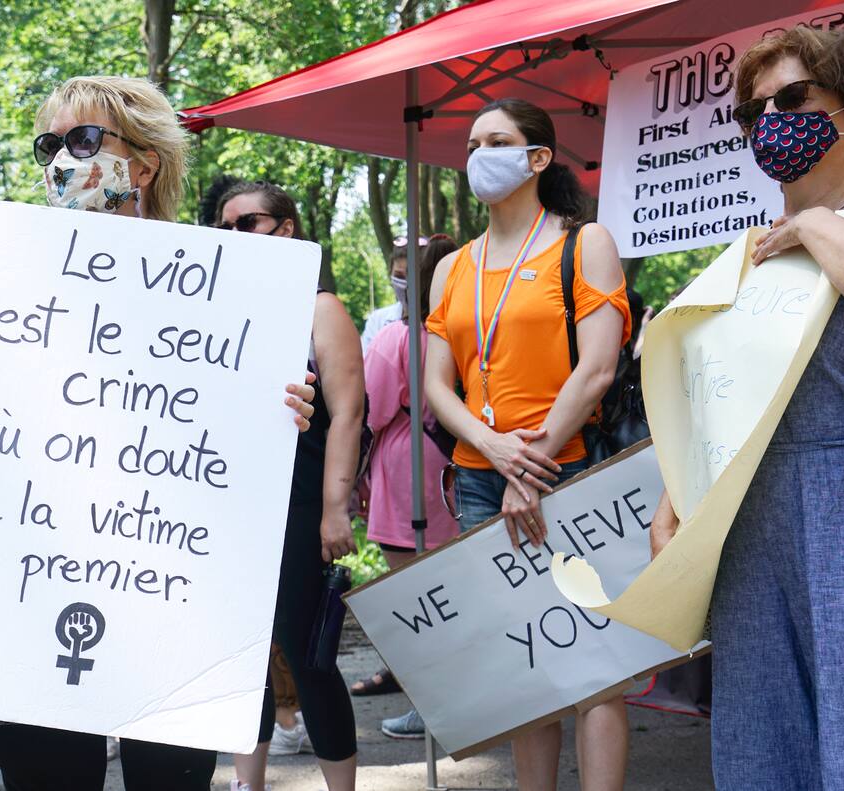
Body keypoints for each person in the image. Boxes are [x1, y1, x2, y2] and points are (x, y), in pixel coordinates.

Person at [0, 77, 320, 791]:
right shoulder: (19, 279)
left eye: (82, 141)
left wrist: (282, 411)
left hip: (172, 592)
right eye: (50, 145)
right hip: (32, 577)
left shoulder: (226, 287)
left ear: (143, 165)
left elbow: (246, 428)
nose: (61, 160)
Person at [649, 27, 844, 788]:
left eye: (794, 99)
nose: (771, 119)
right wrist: (675, 500)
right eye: (755, 111)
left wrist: (811, 224)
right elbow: (718, 395)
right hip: (752, 524)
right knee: (766, 742)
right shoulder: (748, 254)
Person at [424, 99, 631, 791]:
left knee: (597, 662)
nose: (482, 152)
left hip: (570, 470)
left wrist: (527, 464)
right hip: (480, 479)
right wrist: (496, 450)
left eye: (499, 141)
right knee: (526, 660)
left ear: (537, 157)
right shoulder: (451, 266)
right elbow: (437, 385)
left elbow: (597, 367)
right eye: (474, 142)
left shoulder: (584, 241)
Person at [216, 179, 363, 791]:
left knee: (309, 659)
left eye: (246, 222)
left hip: (301, 505)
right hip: (233, 509)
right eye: (223, 227)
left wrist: (335, 508)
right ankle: (248, 784)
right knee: (241, 656)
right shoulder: (219, 309)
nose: (234, 235)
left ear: (287, 226)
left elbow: (348, 412)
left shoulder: (320, 308)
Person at [359, 233, 461, 738]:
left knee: (417, 599)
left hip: (407, 473)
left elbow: (370, 412)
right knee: (458, 589)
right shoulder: (471, 331)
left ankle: (432, 708)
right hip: (461, 467)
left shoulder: (396, 338)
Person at [359, 236, 424, 352]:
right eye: (399, 276)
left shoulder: (437, 322)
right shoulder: (378, 320)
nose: (405, 284)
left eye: (411, 276)